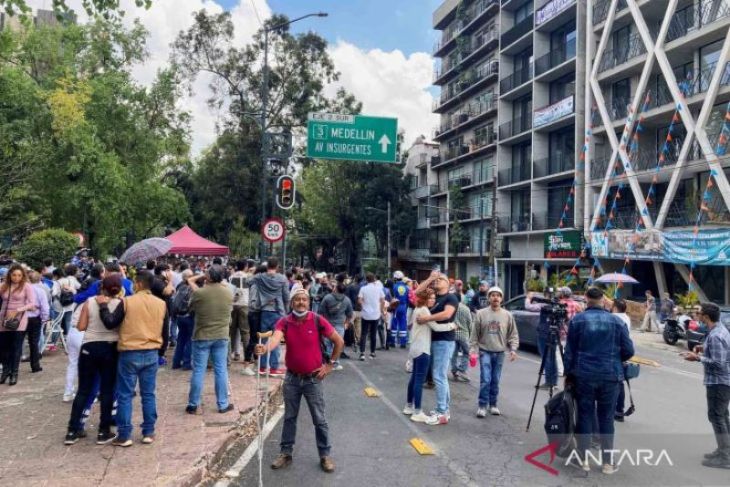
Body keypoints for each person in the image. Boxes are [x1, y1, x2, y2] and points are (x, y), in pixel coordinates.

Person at [255, 288, 344, 473]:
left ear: (309, 302)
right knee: (289, 417)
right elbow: (275, 338)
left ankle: (324, 455)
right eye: (297, 300)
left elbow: (339, 341)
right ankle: (285, 453)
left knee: (319, 419)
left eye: (304, 299)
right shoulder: (285, 321)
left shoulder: (318, 320)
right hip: (292, 379)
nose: (301, 302)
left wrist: (329, 365)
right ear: (291, 303)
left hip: (313, 379)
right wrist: (265, 349)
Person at [564, 286, 634, 474]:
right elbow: (629, 351)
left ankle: (583, 460)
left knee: (585, 416)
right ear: (603, 300)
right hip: (610, 377)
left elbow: (569, 352)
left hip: (583, 376)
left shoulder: (577, 321)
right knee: (606, 419)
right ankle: (607, 463)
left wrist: (568, 375)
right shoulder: (617, 322)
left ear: (586, 299)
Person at [97, 270, 168, 447]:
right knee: (149, 394)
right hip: (151, 351)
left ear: (137, 284)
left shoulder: (127, 302)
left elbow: (111, 322)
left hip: (129, 351)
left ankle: (125, 434)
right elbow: (165, 332)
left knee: (125, 395)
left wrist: (103, 307)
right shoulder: (161, 304)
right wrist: (160, 352)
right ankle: (148, 432)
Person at [64, 275, 124, 445]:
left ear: (102, 287)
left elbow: (81, 326)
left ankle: (72, 430)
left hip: (89, 347)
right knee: (107, 391)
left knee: (84, 390)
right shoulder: (121, 304)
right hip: (110, 349)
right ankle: (103, 431)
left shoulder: (89, 302)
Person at [683, 302, 730, 469]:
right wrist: (703, 348)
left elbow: (719, 363)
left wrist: (696, 358)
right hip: (722, 381)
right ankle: (725, 450)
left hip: (719, 382)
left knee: (717, 417)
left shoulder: (716, 335)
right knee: (722, 417)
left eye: (700, 313)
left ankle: (725, 457)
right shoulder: (719, 330)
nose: (698, 315)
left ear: (706, 317)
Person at [185, 265, 235, 414]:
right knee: (221, 369)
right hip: (221, 335)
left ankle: (193, 403)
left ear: (209, 277)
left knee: (199, 370)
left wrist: (201, 277)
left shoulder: (200, 293)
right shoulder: (228, 293)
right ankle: (222, 403)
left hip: (202, 335)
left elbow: (190, 307)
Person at [404, 289, 456, 422]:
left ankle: (409, 406)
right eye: (430, 298)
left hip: (415, 348)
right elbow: (437, 328)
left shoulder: (417, 309)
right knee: (419, 380)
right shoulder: (424, 311)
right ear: (424, 299)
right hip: (423, 349)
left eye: (434, 298)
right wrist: (451, 325)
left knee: (414, 378)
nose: (433, 300)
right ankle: (417, 411)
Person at [415, 271, 458, 426]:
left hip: (444, 340)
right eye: (436, 279)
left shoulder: (451, 297)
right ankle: (444, 409)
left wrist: (427, 318)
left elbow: (447, 314)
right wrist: (430, 278)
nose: (437, 280)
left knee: (439, 375)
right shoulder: (434, 296)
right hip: (434, 340)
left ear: (448, 283)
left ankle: (442, 411)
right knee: (440, 375)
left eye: (441, 279)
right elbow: (418, 292)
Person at [471, 286, 519, 417]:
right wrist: (472, 350)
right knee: (485, 379)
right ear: (488, 298)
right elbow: (474, 334)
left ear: (501, 298)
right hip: (484, 350)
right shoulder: (481, 313)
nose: (495, 298)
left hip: (500, 352)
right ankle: (482, 405)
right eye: (492, 295)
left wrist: (513, 349)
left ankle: (493, 405)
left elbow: (513, 334)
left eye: (498, 295)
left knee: (495, 380)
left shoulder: (507, 315)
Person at [0, 264, 37, 385]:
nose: (16, 277)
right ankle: (6, 371)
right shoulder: (4, 286)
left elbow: (32, 304)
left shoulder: (27, 286)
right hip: (4, 318)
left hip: (19, 319)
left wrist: (18, 310)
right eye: (14, 275)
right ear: (10, 275)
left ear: (23, 276)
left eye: (19, 275)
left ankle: (14, 373)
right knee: (3, 348)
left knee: (16, 347)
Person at [253, 258, 290, 376]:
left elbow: (249, 281)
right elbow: (286, 297)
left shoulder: (260, 277)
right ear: (277, 266)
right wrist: (286, 311)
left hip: (264, 310)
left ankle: (262, 367)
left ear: (267, 265)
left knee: (263, 338)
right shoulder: (282, 278)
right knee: (276, 338)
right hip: (278, 311)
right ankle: (273, 368)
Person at [319, 281, 353, 370]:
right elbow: (350, 314)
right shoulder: (347, 300)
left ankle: (327, 362)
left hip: (327, 324)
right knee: (337, 344)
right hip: (340, 325)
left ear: (336, 288)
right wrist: (347, 323)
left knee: (327, 344)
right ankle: (335, 363)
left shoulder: (327, 298)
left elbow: (320, 311)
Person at [229, 260, 254, 374]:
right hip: (245, 305)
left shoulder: (231, 277)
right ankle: (247, 356)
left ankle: (231, 354)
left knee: (231, 331)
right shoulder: (249, 277)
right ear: (245, 266)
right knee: (245, 332)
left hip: (233, 305)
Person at [611, 299, 631, 422]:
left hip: (613, 353)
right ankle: (619, 409)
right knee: (620, 383)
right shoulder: (626, 318)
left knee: (613, 383)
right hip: (623, 352)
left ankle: (614, 409)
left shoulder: (613, 317)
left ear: (615, 308)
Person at [358, 273, 385, 361]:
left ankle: (362, 353)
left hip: (365, 314)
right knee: (373, 334)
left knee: (364, 333)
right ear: (374, 279)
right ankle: (372, 353)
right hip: (376, 314)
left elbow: (359, 300)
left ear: (366, 279)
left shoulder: (363, 288)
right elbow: (382, 301)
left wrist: (363, 307)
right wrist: (381, 311)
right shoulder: (379, 289)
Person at [26, 271, 49, 373]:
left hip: (22, 317)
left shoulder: (23, 290)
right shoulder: (40, 291)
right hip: (35, 318)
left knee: (18, 342)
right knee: (34, 342)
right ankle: (35, 366)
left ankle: (12, 366)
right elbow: (45, 307)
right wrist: (44, 318)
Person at [171, 269, 194, 370]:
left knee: (181, 339)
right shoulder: (192, 288)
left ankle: (176, 362)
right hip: (189, 316)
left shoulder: (179, 286)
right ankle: (186, 363)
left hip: (179, 316)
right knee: (189, 340)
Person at [53, 265, 81, 335]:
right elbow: (75, 292)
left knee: (57, 324)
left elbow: (54, 293)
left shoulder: (57, 282)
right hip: (69, 304)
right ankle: (68, 338)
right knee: (68, 322)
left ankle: (54, 343)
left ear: (56, 275)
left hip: (59, 305)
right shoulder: (71, 280)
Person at [451, 299, 473, 383]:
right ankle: (462, 370)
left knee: (454, 353)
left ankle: (454, 370)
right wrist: (471, 335)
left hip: (453, 334)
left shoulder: (452, 307)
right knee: (466, 353)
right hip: (464, 335)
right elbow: (470, 323)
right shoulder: (466, 309)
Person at [390, 271, 410, 348]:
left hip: (396, 306)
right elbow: (408, 299)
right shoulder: (406, 287)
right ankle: (403, 343)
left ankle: (392, 342)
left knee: (394, 323)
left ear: (395, 278)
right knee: (403, 324)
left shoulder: (394, 287)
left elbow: (392, 298)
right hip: (404, 306)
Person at [345, 275, 363, 353]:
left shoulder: (350, 287)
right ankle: (357, 340)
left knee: (349, 325)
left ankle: (350, 340)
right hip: (359, 309)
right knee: (358, 326)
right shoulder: (362, 288)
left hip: (351, 308)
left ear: (355, 279)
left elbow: (347, 297)